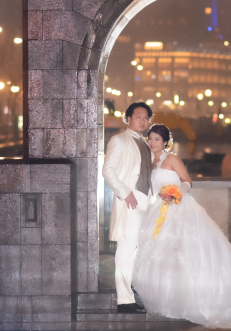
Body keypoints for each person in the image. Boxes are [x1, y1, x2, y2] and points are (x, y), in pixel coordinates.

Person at [132, 123, 231, 328]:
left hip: (179, 208)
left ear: (165, 142)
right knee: (161, 254)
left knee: (188, 252)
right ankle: (170, 299)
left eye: (157, 139)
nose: (153, 142)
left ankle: (196, 300)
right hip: (159, 211)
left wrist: (177, 193)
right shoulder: (151, 162)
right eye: (150, 138)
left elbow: (187, 181)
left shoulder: (172, 158)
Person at [102, 102, 153, 314]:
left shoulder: (146, 143)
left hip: (147, 202)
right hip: (130, 202)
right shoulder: (119, 140)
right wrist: (126, 192)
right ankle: (124, 300)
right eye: (138, 116)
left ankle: (132, 294)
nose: (143, 121)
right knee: (125, 251)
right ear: (128, 118)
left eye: (146, 118)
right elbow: (108, 170)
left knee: (138, 252)